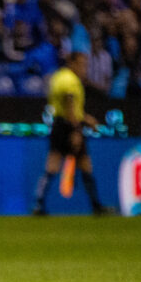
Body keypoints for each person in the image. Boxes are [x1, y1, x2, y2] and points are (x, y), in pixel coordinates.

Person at [32, 51, 113, 216]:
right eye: (83, 64)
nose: (85, 69)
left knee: (54, 165)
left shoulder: (59, 77)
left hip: (59, 125)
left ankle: (39, 204)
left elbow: (69, 107)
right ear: (73, 63)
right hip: (68, 127)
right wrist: (76, 130)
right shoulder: (70, 80)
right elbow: (69, 104)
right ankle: (96, 206)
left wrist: (86, 118)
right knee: (83, 165)